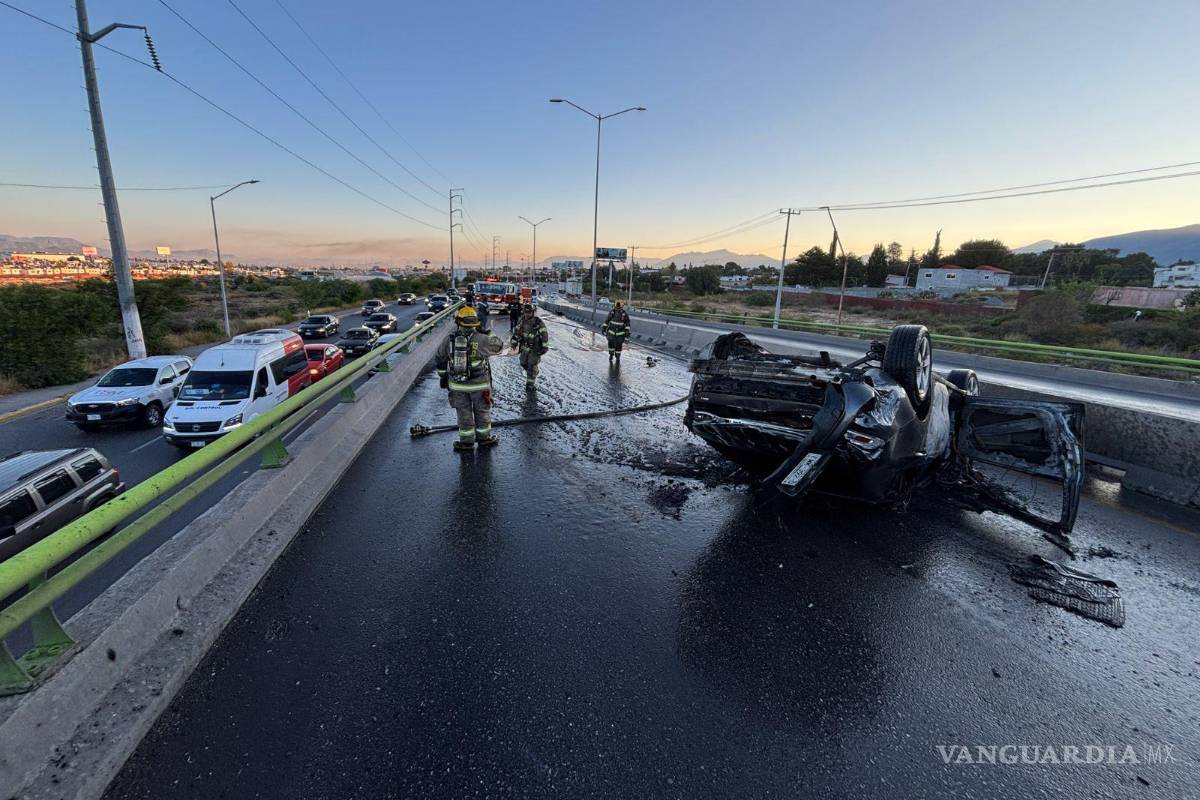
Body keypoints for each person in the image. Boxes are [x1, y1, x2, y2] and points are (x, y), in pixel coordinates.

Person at [435, 306, 504, 452]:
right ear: (475, 323)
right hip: (480, 386)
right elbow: (499, 346)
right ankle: (484, 439)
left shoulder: (449, 340)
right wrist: (488, 332)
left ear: (458, 322)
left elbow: (440, 359)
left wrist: (443, 377)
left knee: (463, 413)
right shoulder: (483, 339)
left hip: (457, 386)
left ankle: (466, 442)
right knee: (482, 412)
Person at [511, 303, 549, 389]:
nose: (527, 314)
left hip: (535, 349)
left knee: (531, 366)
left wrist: (544, 347)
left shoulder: (538, 322)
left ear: (533, 312)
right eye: (525, 312)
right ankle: (534, 371)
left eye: (529, 313)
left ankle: (530, 385)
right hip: (524, 347)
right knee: (523, 363)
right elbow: (516, 332)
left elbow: (544, 334)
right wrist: (514, 342)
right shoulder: (521, 321)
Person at [601, 300, 631, 364]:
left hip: (620, 334)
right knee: (611, 344)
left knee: (618, 345)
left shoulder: (624, 314)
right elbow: (607, 321)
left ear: (621, 307)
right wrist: (604, 328)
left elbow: (627, 324)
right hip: (611, 332)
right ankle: (611, 355)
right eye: (616, 307)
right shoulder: (612, 312)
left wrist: (627, 333)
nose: (617, 309)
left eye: (619, 307)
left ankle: (617, 357)